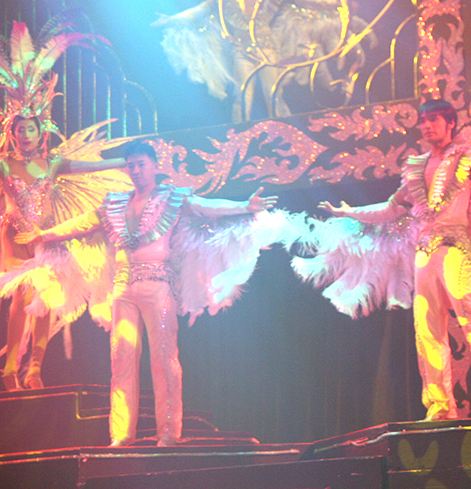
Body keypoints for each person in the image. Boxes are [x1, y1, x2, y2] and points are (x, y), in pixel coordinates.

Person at [297, 99, 471, 421]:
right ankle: (440, 407)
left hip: (455, 249)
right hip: (424, 254)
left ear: (451, 122)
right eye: (422, 120)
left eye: (433, 119)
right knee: (428, 330)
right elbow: (391, 208)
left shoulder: (468, 156)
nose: (427, 125)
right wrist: (349, 212)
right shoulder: (417, 168)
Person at [15, 141, 278, 446]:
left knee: (164, 360)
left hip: (158, 286)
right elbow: (83, 223)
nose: (136, 170)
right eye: (131, 165)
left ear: (154, 166)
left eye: (141, 164)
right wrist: (43, 235)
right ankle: (121, 435)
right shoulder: (115, 204)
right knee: (121, 360)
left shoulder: (170, 199)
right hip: (123, 288)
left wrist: (244, 206)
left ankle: (168, 433)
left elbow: (204, 206)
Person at [0, 20, 130, 391]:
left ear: (41, 131)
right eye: (20, 129)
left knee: (49, 297)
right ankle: (10, 369)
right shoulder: (4, 164)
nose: (26, 134)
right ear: (12, 132)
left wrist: (128, 161)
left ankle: (34, 369)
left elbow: (91, 167)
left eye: (31, 128)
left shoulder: (53, 163)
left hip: (48, 237)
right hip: (15, 239)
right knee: (23, 297)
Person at [153, 0, 371, 121]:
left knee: (273, 94)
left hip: (267, 49)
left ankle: (286, 134)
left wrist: (334, 1)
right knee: (243, 95)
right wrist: (172, 20)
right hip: (243, 51)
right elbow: (201, 9)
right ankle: (241, 135)